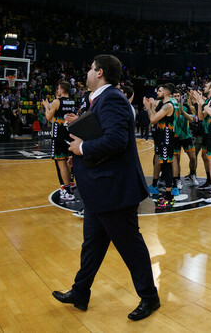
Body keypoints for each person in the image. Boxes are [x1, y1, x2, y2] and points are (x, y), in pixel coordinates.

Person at [52, 54, 159, 321]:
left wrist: (82, 147)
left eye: (90, 68)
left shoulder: (111, 98)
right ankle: (80, 292)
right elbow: (105, 131)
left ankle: (150, 297)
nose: (87, 72)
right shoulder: (101, 99)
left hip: (114, 190)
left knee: (131, 247)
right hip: (101, 190)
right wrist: (81, 125)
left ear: (100, 73)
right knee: (92, 245)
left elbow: (116, 140)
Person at [144, 84, 178, 210]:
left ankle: (169, 197)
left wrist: (148, 107)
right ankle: (168, 194)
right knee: (164, 164)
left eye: (159, 91)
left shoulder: (168, 106)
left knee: (167, 165)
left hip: (167, 137)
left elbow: (153, 119)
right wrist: (152, 106)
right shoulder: (163, 104)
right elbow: (155, 116)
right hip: (162, 137)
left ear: (165, 93)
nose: (156, 92)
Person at [43, 81, 78, 201]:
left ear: (62, 90)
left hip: (58, 136)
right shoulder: (73, 102)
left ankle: (67, 190)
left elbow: (48, 117)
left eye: (58, 88)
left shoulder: (57, 102)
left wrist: (46, 106)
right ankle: (70, 184)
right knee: (68, 163)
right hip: (69, 135)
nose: (57, 90)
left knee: (61, 163)